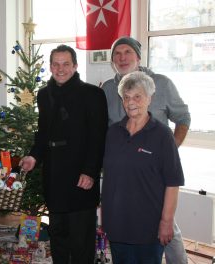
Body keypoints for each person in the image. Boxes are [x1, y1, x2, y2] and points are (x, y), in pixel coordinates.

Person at [102, 36, 191, 264]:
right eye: (117, 54)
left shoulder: (162, 83)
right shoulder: (108, 89)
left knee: (167, 227)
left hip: (153, 169)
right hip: (124, 172)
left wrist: (170, 150)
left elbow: (182, 117)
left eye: (127, 52)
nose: (122, 58)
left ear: (138, 57)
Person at [20, 45, 108, 263]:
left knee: (80, 241)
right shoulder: (44, 95)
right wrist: (33, 156)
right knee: (57, 236)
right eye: (56, 64)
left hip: (81, 178)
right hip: (54, 177)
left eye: (66, 64)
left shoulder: (93, 94)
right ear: (50, 66)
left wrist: (90, 172)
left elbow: (98, 139)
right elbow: (43, 134)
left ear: (75, 65)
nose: (60, 69)